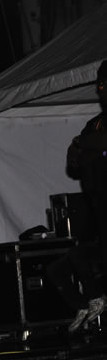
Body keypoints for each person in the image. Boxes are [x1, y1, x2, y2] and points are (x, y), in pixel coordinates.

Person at [61, 60, 107, 332]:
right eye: (99, 84)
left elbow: (92, 144)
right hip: (98, 205)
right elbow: (74, 158)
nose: (101, 89)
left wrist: (85, 145)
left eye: (105, 84)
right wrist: (85, 147)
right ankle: (91, 301)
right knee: (71, 259)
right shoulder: (95, 123)